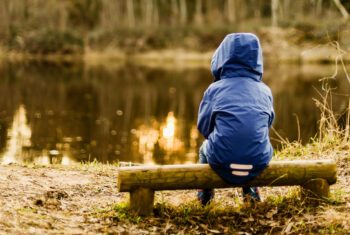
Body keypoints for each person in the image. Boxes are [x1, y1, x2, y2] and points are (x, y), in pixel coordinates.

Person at [196, 33, 275, 205]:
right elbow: (267, 124)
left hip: (221, 160)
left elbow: (203, 128)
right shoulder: (264, 90)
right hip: (258, 160)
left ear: (222, 57)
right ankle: (251, 193)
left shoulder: (214, 89)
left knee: (204, 148)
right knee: (252, 144)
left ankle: (205, 196)